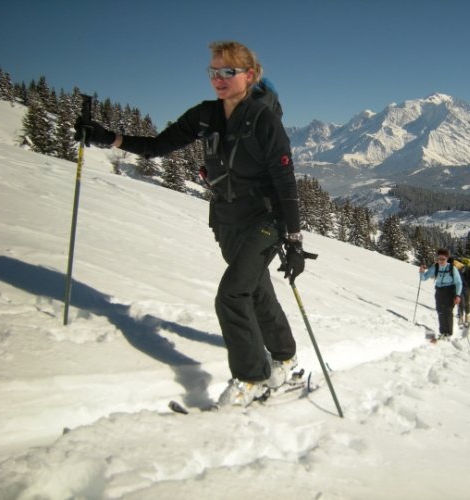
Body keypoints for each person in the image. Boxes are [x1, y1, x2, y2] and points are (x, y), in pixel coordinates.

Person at [74, 41, 307, 407]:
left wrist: (293, 240)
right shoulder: (205, 115)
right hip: (226, 220)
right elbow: (156, 148)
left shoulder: (264, 120)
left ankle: (251, 378)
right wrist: (109, 137)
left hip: (264, 220)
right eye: (213, 71)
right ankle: (286, 363)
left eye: (228, 71)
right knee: (255, 289)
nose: (219, 78)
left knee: (231, 294)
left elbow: (285, 180)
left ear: (250, 75)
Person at [419, 249, 462, 338]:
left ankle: (449, 333)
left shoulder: (452, 268)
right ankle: (442, 332)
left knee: (448, 311)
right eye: (439, 259)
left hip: (450, 291)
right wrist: (421, 272)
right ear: (437, 259)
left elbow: (458, 283)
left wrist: (458, 295)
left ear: (447, 259)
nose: (441, 261)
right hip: (439, 291)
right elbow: (423, 278)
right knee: (440, 311)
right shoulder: (435, 267)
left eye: (443, 259)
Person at [457, 257, 470, 327]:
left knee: (462, 302)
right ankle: (466, 316)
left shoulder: (460, 269)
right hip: (466, 288)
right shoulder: (467, 270)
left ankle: (462, 316)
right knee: (466, 302)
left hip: (462, 288)